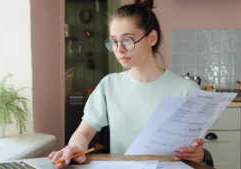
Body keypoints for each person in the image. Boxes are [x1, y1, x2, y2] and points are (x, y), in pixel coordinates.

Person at [49, 0, 205, 168]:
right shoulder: (109, 85)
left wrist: (197, 155)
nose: (119, 49)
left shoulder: (188, 91)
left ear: (152, 38)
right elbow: (84, 132)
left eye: (128, 40)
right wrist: (76, 147)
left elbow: (197, 150)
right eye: (114, 41)